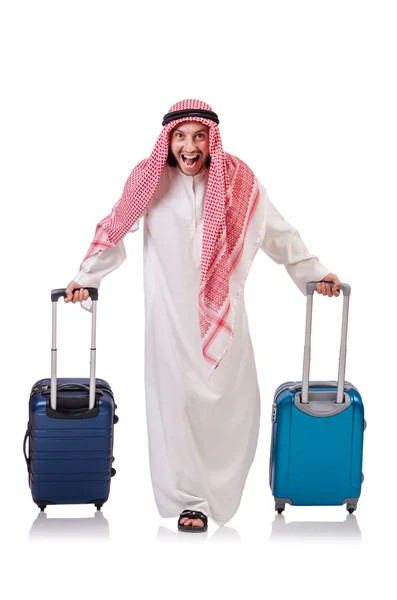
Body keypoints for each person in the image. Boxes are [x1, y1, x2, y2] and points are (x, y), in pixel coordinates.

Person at [65, 99, 342, 533]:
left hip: (223, 315)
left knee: (232, 406)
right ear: (168, 140)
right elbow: (115, 228)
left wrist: (315, 272)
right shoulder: (149, 180)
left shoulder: (239, 182)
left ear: (211, 140)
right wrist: (86, 278)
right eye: (180, 136)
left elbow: (278, 233)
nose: (189, 146)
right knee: (173, 408)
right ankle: (188, 501)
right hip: (169, 318)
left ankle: (219, 495)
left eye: (198, 136)